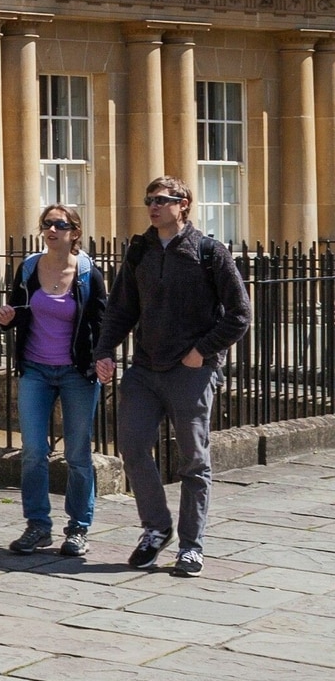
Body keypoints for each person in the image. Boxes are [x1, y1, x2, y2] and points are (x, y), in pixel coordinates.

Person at [95, 172, 251, 576]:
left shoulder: (209, 251)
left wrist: (202, 351)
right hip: (145, 368)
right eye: (150, 199)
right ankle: (156, 528)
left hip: (191, 371)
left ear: (183, 204)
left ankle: (191, 546)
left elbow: (240, 315)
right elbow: (121, 309)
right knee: (131, 447)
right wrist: (104, 351)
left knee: (193, 461)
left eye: (163, 199)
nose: (153, 205)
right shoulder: (139, 251)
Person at [0, 204, 107, 558]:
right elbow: (14, 312)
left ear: (74, 232)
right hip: (35, 370)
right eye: (46, 224)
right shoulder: (29, 268)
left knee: (77, 454)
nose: (51, 230)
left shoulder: (89, 273)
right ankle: (38, 526)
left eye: (60, 224)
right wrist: (4, 318)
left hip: (77, 373)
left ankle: (78, 528)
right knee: (33, 452)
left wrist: (106, 358)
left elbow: (102, 321)